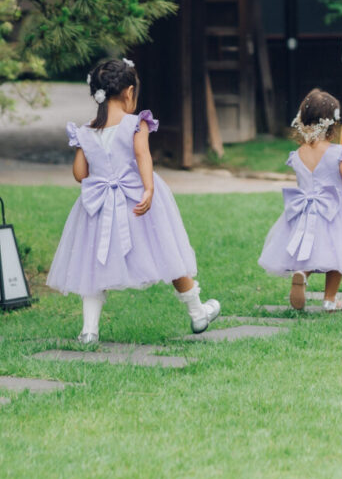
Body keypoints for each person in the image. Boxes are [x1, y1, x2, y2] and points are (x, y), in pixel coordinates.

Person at [47, 57, 220, 343]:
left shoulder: (86, 131)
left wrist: (83, 147)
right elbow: (143, 157)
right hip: (136, 200)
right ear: (129, 92)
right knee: (166, 251)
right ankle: (197, 311)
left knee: (94, 261)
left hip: (98, 204)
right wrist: (149, 189)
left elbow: (80, 174)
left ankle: (89, 330)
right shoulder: (134, 123)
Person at [259, 88, 342, 312]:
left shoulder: (297, 154)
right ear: (332, 123)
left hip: (304, 210)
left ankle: (301, 274)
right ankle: (329, 299)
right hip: (333, 209)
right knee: (338, 252)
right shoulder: (339, 152)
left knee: (309, 248)